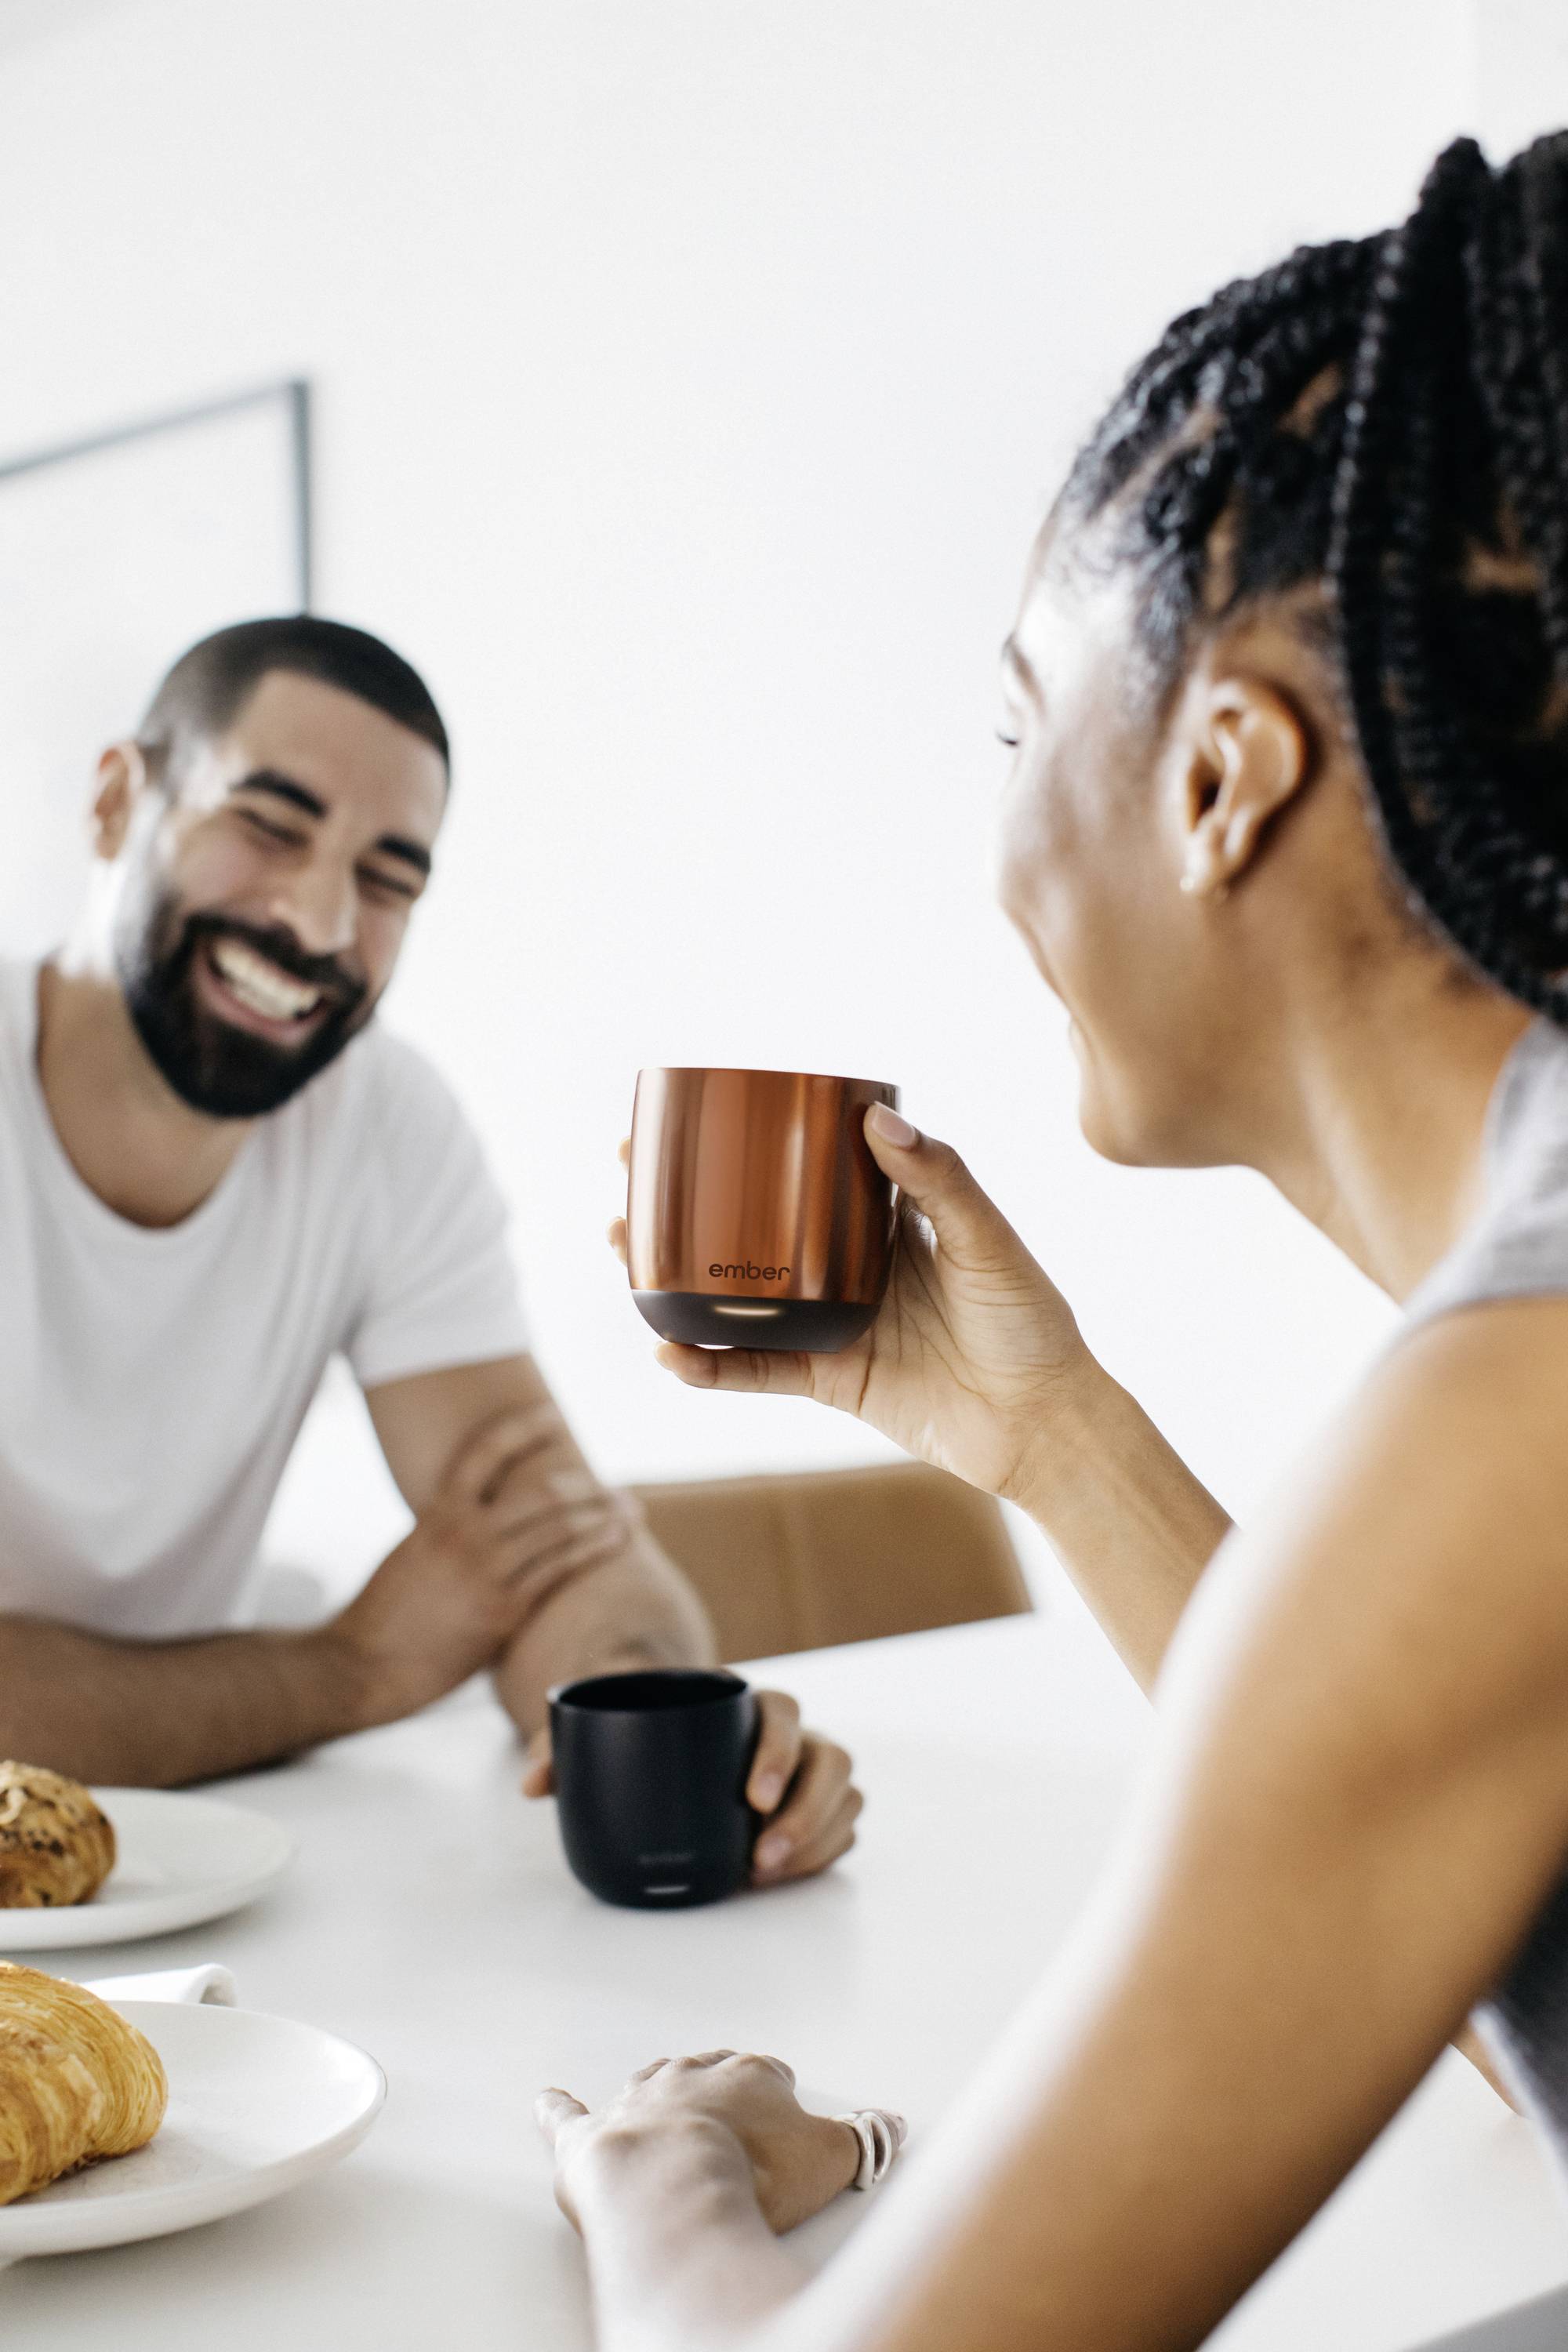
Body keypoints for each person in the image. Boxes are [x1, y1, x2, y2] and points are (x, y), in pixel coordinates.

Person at [535, 129, 1568, 2347]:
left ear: (1222, 780)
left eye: (1018, 717)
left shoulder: (1522, 1416)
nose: (992, 823)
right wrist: (1055, 1433)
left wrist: (667, 2177)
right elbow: (1512, 1994)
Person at [0, 615, 860, 1891]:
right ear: (119, 801)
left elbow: (543, 1539)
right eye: (270, 826)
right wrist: (353, 1669)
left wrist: (664, 1724)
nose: (317, 918)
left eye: (389, 877)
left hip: (167, 1877)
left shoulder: (384, 1124)